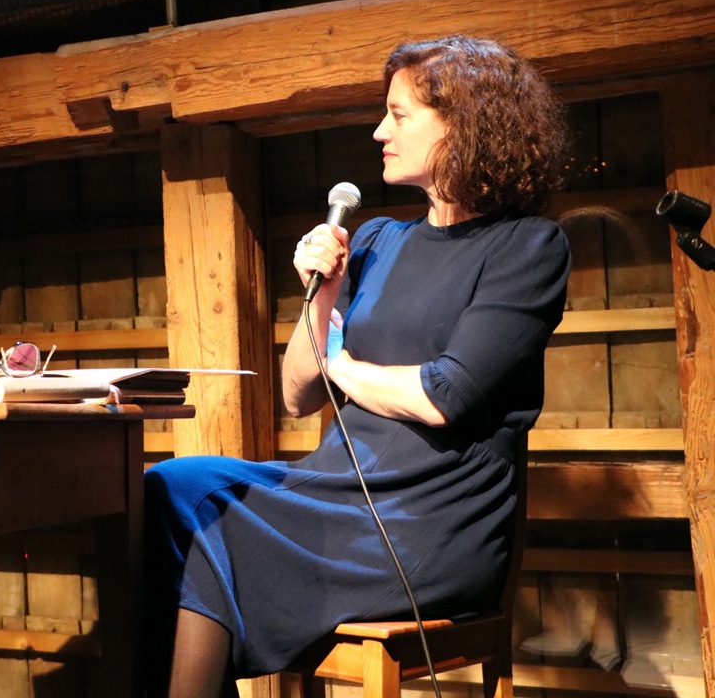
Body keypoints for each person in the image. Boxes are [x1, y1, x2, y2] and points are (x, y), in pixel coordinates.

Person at [143, 35, 572, 697]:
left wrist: (340, 364)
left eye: (398, 115)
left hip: (430, 518)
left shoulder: (527, 247)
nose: (379, 132)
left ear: (463, 125)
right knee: (172, 489)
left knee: (214, 530)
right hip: (333, 491)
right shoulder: (376, 240)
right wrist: (322, 297)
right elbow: (296, 394)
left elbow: (444, 395)